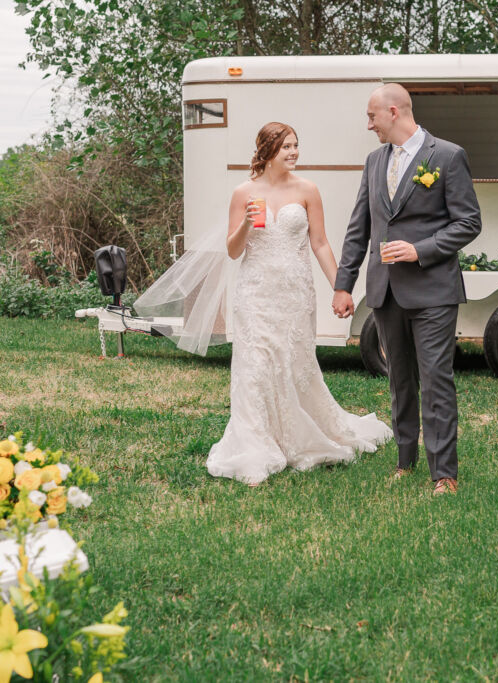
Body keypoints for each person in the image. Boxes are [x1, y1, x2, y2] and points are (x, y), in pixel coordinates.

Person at [202, 122, 393, 485]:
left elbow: (319, 243)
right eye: (286, 146)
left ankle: (303, 434)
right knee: (256, 366)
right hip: (255, 293)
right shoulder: (244, 192)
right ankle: (256, 441)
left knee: (293, 361)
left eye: (295, 145)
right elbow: (232, 250)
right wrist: (244, 224)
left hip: (294, 293)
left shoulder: (307, 190)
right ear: (268, 150)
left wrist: (342, 287)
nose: (294, 152)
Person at [332, 84, 482, 496]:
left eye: (371, 117)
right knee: (399, 380)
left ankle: (444, 474)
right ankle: (404, 460)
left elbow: (468, 222)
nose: (368, 125)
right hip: (385, 292)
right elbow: (358, 227)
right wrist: (343, 285)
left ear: (393, 112)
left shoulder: (448, 156)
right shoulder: (373, 161)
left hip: (433, 290)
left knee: (435, 379)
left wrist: (420, 250)